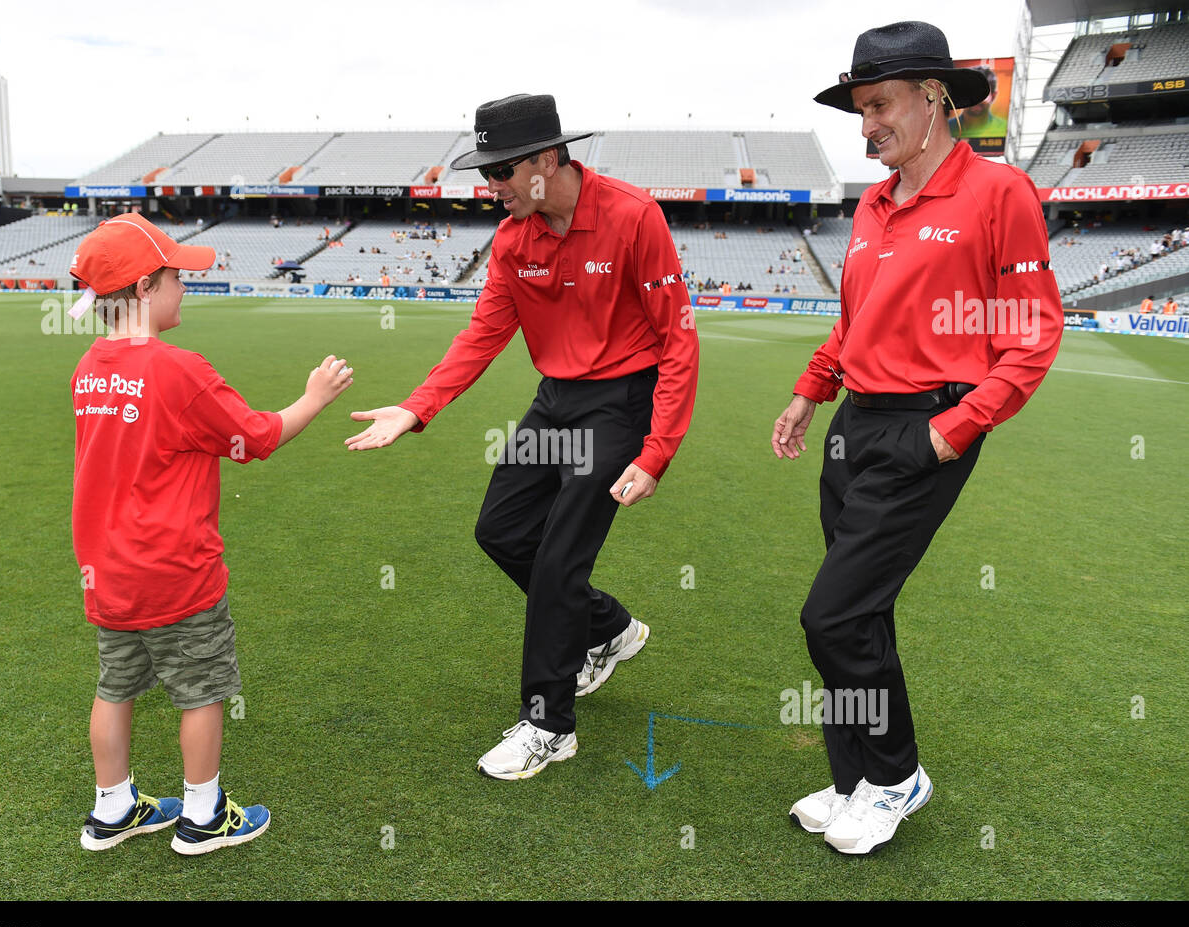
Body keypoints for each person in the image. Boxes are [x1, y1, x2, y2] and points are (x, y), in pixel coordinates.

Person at [345, 93, 699, 780]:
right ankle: (610, 630)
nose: (492, 188)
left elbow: (678, 342)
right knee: (501, 531)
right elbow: (483, 334)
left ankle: (548, 723)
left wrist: (657, 450)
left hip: (620, 404)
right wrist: (417, 408)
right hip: (554, 403)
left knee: (561, 559)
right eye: (486, 174)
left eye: (502, 172)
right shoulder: (513, 239)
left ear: (547, 159)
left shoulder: (633, 217)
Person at [771, 21, 1062, 855]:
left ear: (936, 97)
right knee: (861, 614)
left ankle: (897, 777)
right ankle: (854, 778)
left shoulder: (998, 194)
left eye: (880, 105)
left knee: (831, 617)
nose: (867, 126)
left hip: (925, 428)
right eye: (860, 109)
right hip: (852, 424)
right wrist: (810, 390)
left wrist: (952, 431)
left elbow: (1033, 334)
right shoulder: (874, 201)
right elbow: (859, 320)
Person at [68, 215, 354, 854]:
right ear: (144, 289)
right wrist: (314, 397)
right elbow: (257, 438)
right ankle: (205, 815)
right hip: (174, 568)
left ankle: (112, 808)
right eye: (175, 276)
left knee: (115, 687)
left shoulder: (91, 364)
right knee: (201, 691)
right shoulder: (178, 370)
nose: (185, 286)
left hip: (107, 568)